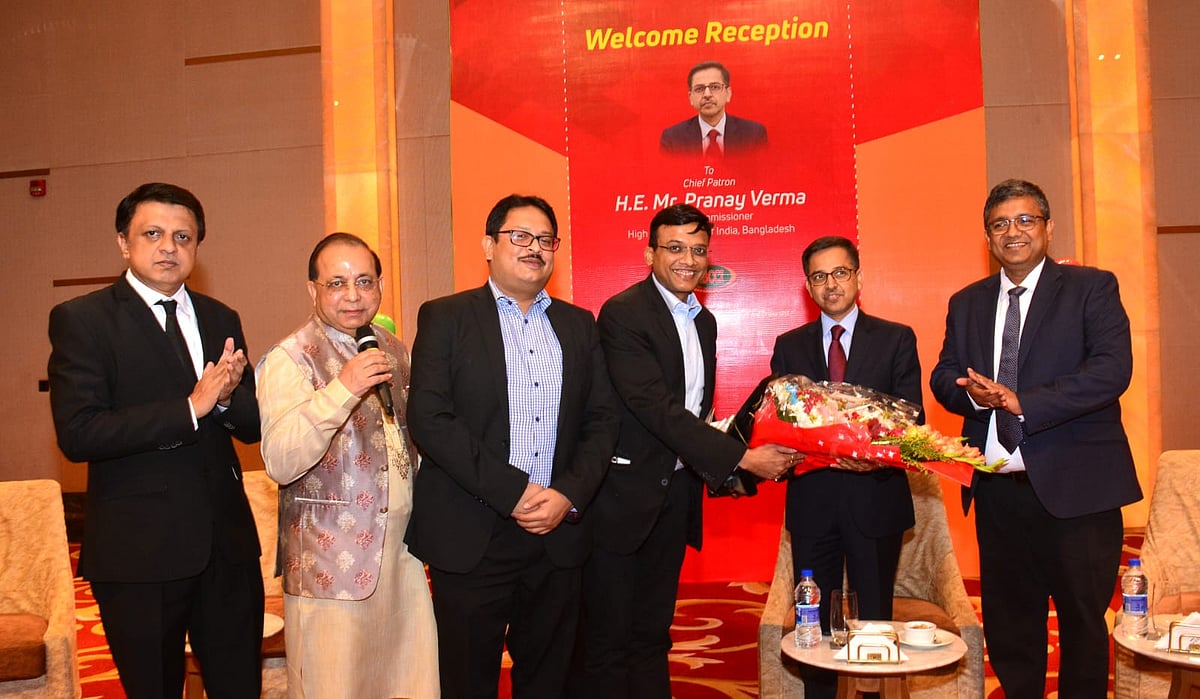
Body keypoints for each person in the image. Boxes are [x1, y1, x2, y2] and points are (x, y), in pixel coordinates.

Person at [48, 182, 264, 698]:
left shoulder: (220, 318)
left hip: (226, 549)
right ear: (124, 242)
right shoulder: (83, 320)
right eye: (153, 233)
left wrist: (229, 399)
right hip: (138, 553)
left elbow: (253, 425)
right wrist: (190, 408)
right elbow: (79, 432)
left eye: (183, 236)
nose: (169, 246)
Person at [930, 179, 1142, 697]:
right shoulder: (967, 302)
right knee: (1010, 627)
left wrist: (1024, 400)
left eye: (1025, 220)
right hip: (1000, 492)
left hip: (1078, 492)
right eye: (1000, 224)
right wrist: (979, 397)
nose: (1013, 232)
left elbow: (1112, 371)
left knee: (1084, 626)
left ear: (1047, 227)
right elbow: (943, 376)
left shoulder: (1092, 287)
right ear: (988, 238)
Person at [574, 204, 795, 699]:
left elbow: (693, 414)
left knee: (653, 632)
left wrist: (740, 445)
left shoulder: (705, 321)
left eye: (698, 250)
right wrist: (743, 459)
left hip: (674, 493)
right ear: (649, 252)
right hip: (621, 498)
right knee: (608, 639)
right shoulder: (624, 313)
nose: (687, 260)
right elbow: (655, 407)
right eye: (674, 248)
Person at [405, 194, 620, 698]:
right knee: (466, 680)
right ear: (488, 245)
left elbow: (603, 420)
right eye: (519, 236)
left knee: (551, 679)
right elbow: (430, 418)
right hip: (473, 532)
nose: (534, 248)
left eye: (546, 240)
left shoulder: (578, 324)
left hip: (558, 535)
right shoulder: (446, 317)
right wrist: (516, 492)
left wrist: (566, 494)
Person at [255, 233, 439, 698]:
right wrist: (342, 389)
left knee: (407, 685)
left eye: (364, 281)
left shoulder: (394, 348)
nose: (353, 295)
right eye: (336, 283)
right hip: (328, 568)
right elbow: (280, 460)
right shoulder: (288, 358)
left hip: (401, 560)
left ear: (379, 286)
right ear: (312, 290)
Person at [767, 235, 922, 699]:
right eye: (819, 276)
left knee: (874, 620)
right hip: (814, 506)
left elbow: (911, 417)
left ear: (858, 276)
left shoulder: (896, 338)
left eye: (839, 273)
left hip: (876, 502)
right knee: (814, 623)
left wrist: (863, 444)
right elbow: (780, 419)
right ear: (807, 287)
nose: (830, 285)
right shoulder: (788, 345)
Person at [659, 61, 768, 160]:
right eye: (699, 89)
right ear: (690, 97)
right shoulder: (673, 139)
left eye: (715, 87)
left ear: (728, 93)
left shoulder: (753, 134)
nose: (707, 95)